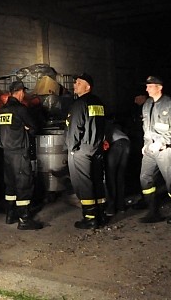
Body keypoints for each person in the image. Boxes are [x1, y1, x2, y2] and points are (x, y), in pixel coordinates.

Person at [138, 76, 171, 224]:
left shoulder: (169, 103)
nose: (146, 89)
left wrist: (162, 142)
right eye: (146, 86)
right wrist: (146, 144)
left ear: (159, 87)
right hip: (150, 150)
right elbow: (146, 128)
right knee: (145, 179)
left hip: (166, 149)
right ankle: (153, 212)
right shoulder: (147, 104)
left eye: (150, 86)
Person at [0, 81, 42, 230]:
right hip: (19, 153)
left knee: (10, 185)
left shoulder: (2, 110)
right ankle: (24, 219)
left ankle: (10, 215)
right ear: (20, 92)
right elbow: (34, 128)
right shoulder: (20, 109)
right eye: (23, 92)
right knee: (24, 184)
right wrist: (28, 128)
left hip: (6, 154)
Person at [64, 73, 107, 229]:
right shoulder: (98, 103)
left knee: (83, 183)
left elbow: (75, 128)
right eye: (75, 82)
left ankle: (90, 218)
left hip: (81, 149)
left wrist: (71, 148)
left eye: (79, 83)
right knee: (96, 180)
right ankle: (100, 214)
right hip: (96, 147)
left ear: (88, 87)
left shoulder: (79, 104)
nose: (75, 85)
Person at [102, 120, 131, 217]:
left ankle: (111, 208)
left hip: (115, 144)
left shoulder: (101, 125)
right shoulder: (113, 126)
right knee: (120, 175)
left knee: (110, 176)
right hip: (126, 142)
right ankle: (121, 205)